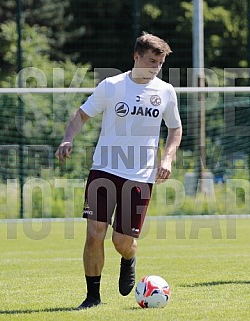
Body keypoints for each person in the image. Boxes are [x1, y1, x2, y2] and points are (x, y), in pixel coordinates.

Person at [55, 31, 182, 309]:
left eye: (159, 64)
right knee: (94, 232)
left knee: (122, 241)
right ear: (136, 56)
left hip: (140, 175)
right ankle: (92, 297)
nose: (155, 68)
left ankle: (129, 258)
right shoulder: (111, 86)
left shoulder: (165, 91)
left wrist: (168, 159)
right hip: (104, 169)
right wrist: (68, 138)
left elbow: (175, 128)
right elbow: (82, 114)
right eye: (151, 61)